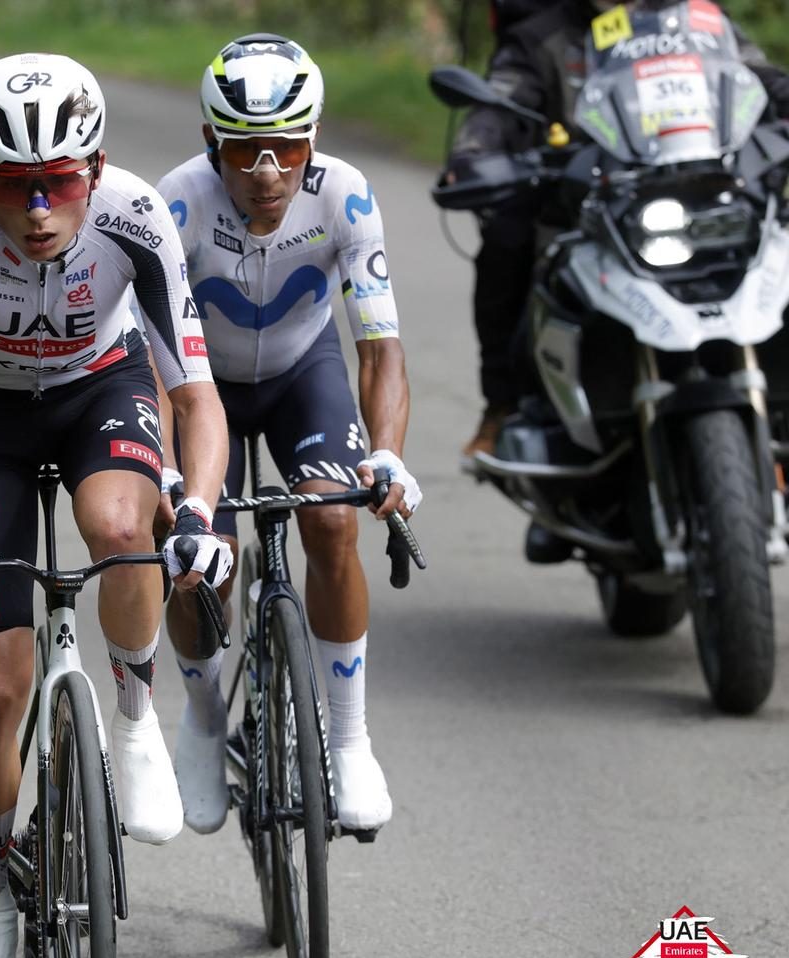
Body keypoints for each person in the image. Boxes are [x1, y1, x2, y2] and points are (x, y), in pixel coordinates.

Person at [0, 53, 232, 958]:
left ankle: (131, 720)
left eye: (59, 184)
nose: (37, 208)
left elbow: (194, 394)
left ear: (96, 168)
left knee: (122, 525)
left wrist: (198, 511)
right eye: (12, 186)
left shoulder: (134, 215)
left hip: (101, 388)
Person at [155, 34, 418, 836]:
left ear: (314, 139)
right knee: (206, 562)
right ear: (212, 143)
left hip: (306, 372)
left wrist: (386, 455)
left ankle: (349, 736)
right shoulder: (179, 203)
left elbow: (378, 347)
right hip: (205, 390)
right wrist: (171, 480)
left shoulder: (346, 196)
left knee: (334, 521)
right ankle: (202, 719)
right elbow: (151, 359)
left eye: (287, 148)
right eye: (244, 151)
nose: (267, 172)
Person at [450, 0, 789, 457]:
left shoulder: (699, 20)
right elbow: (502, 101)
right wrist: (474, 151)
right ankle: (503, 402)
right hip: (596, 213)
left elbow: (756, 77)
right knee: (506, 236)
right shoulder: (544, 35)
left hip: (707, 197)